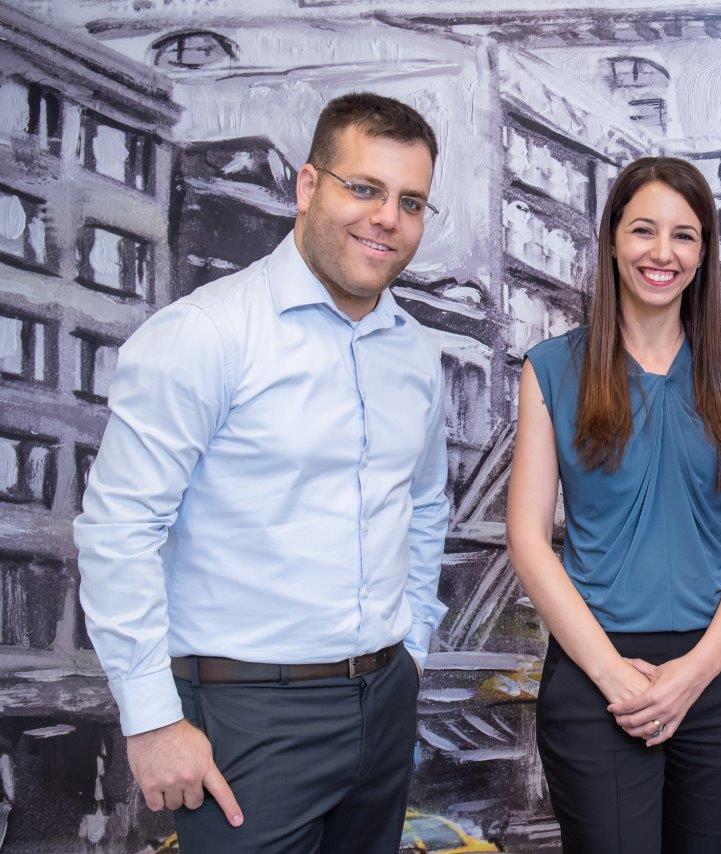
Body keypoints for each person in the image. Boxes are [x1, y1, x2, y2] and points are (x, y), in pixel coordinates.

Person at [74, 92, 449, 853]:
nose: (387, 218)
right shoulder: (204, 335)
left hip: (384, 705)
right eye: (364, 188)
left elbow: (425, 504)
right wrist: (150, 718)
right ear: (309, 187)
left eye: (410, 202)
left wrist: (413, 653)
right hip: (248, 716)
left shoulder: (416, 353)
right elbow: (118, 531)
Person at [505, 157, 721, 854]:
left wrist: (698, 669)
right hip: (597, 675)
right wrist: (609, 675)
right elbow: (529, 539)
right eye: (643, 231)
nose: (663, 253)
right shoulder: (549, 369)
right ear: (611, 241)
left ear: (705, 252)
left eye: (685, 236)